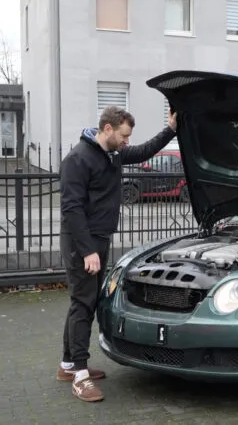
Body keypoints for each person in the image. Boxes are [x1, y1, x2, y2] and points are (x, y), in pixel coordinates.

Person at [57, 105, 177, 402]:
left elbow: (145, 151)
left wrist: (171, 129)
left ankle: (68, 364)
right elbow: (71, 208)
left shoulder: (114, 153)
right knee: (83, 303)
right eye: (124, 135)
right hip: (80, 243)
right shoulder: (77, 160)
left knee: (82, 301)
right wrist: (87, 251)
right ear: (107, 129)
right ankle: (80, 377)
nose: (127, 141)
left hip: (98, 239)